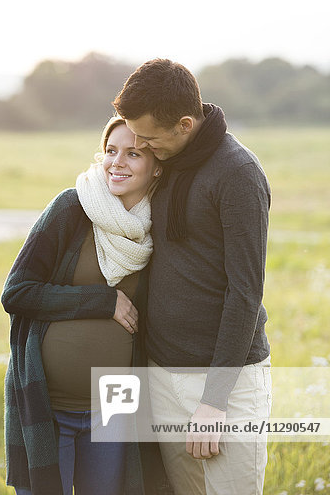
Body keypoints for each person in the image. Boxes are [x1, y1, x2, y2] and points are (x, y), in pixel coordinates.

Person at [113, 58, 272, 495]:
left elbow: (245, 293)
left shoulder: (238, 174)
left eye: (147, 137)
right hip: (163, 374)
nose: (140, 145)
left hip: (227, 384)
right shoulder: (167, 163)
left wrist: (214, 401)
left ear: (185, 123)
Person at [1, 117, 173, 495]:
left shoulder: (160, 227)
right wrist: (103, 299)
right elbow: (16, 292)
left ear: (156, 165)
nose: (117, 162)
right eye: (111, 151)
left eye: (133, 153)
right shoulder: (73, 207)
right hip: (48, 400)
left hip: (115, 402)